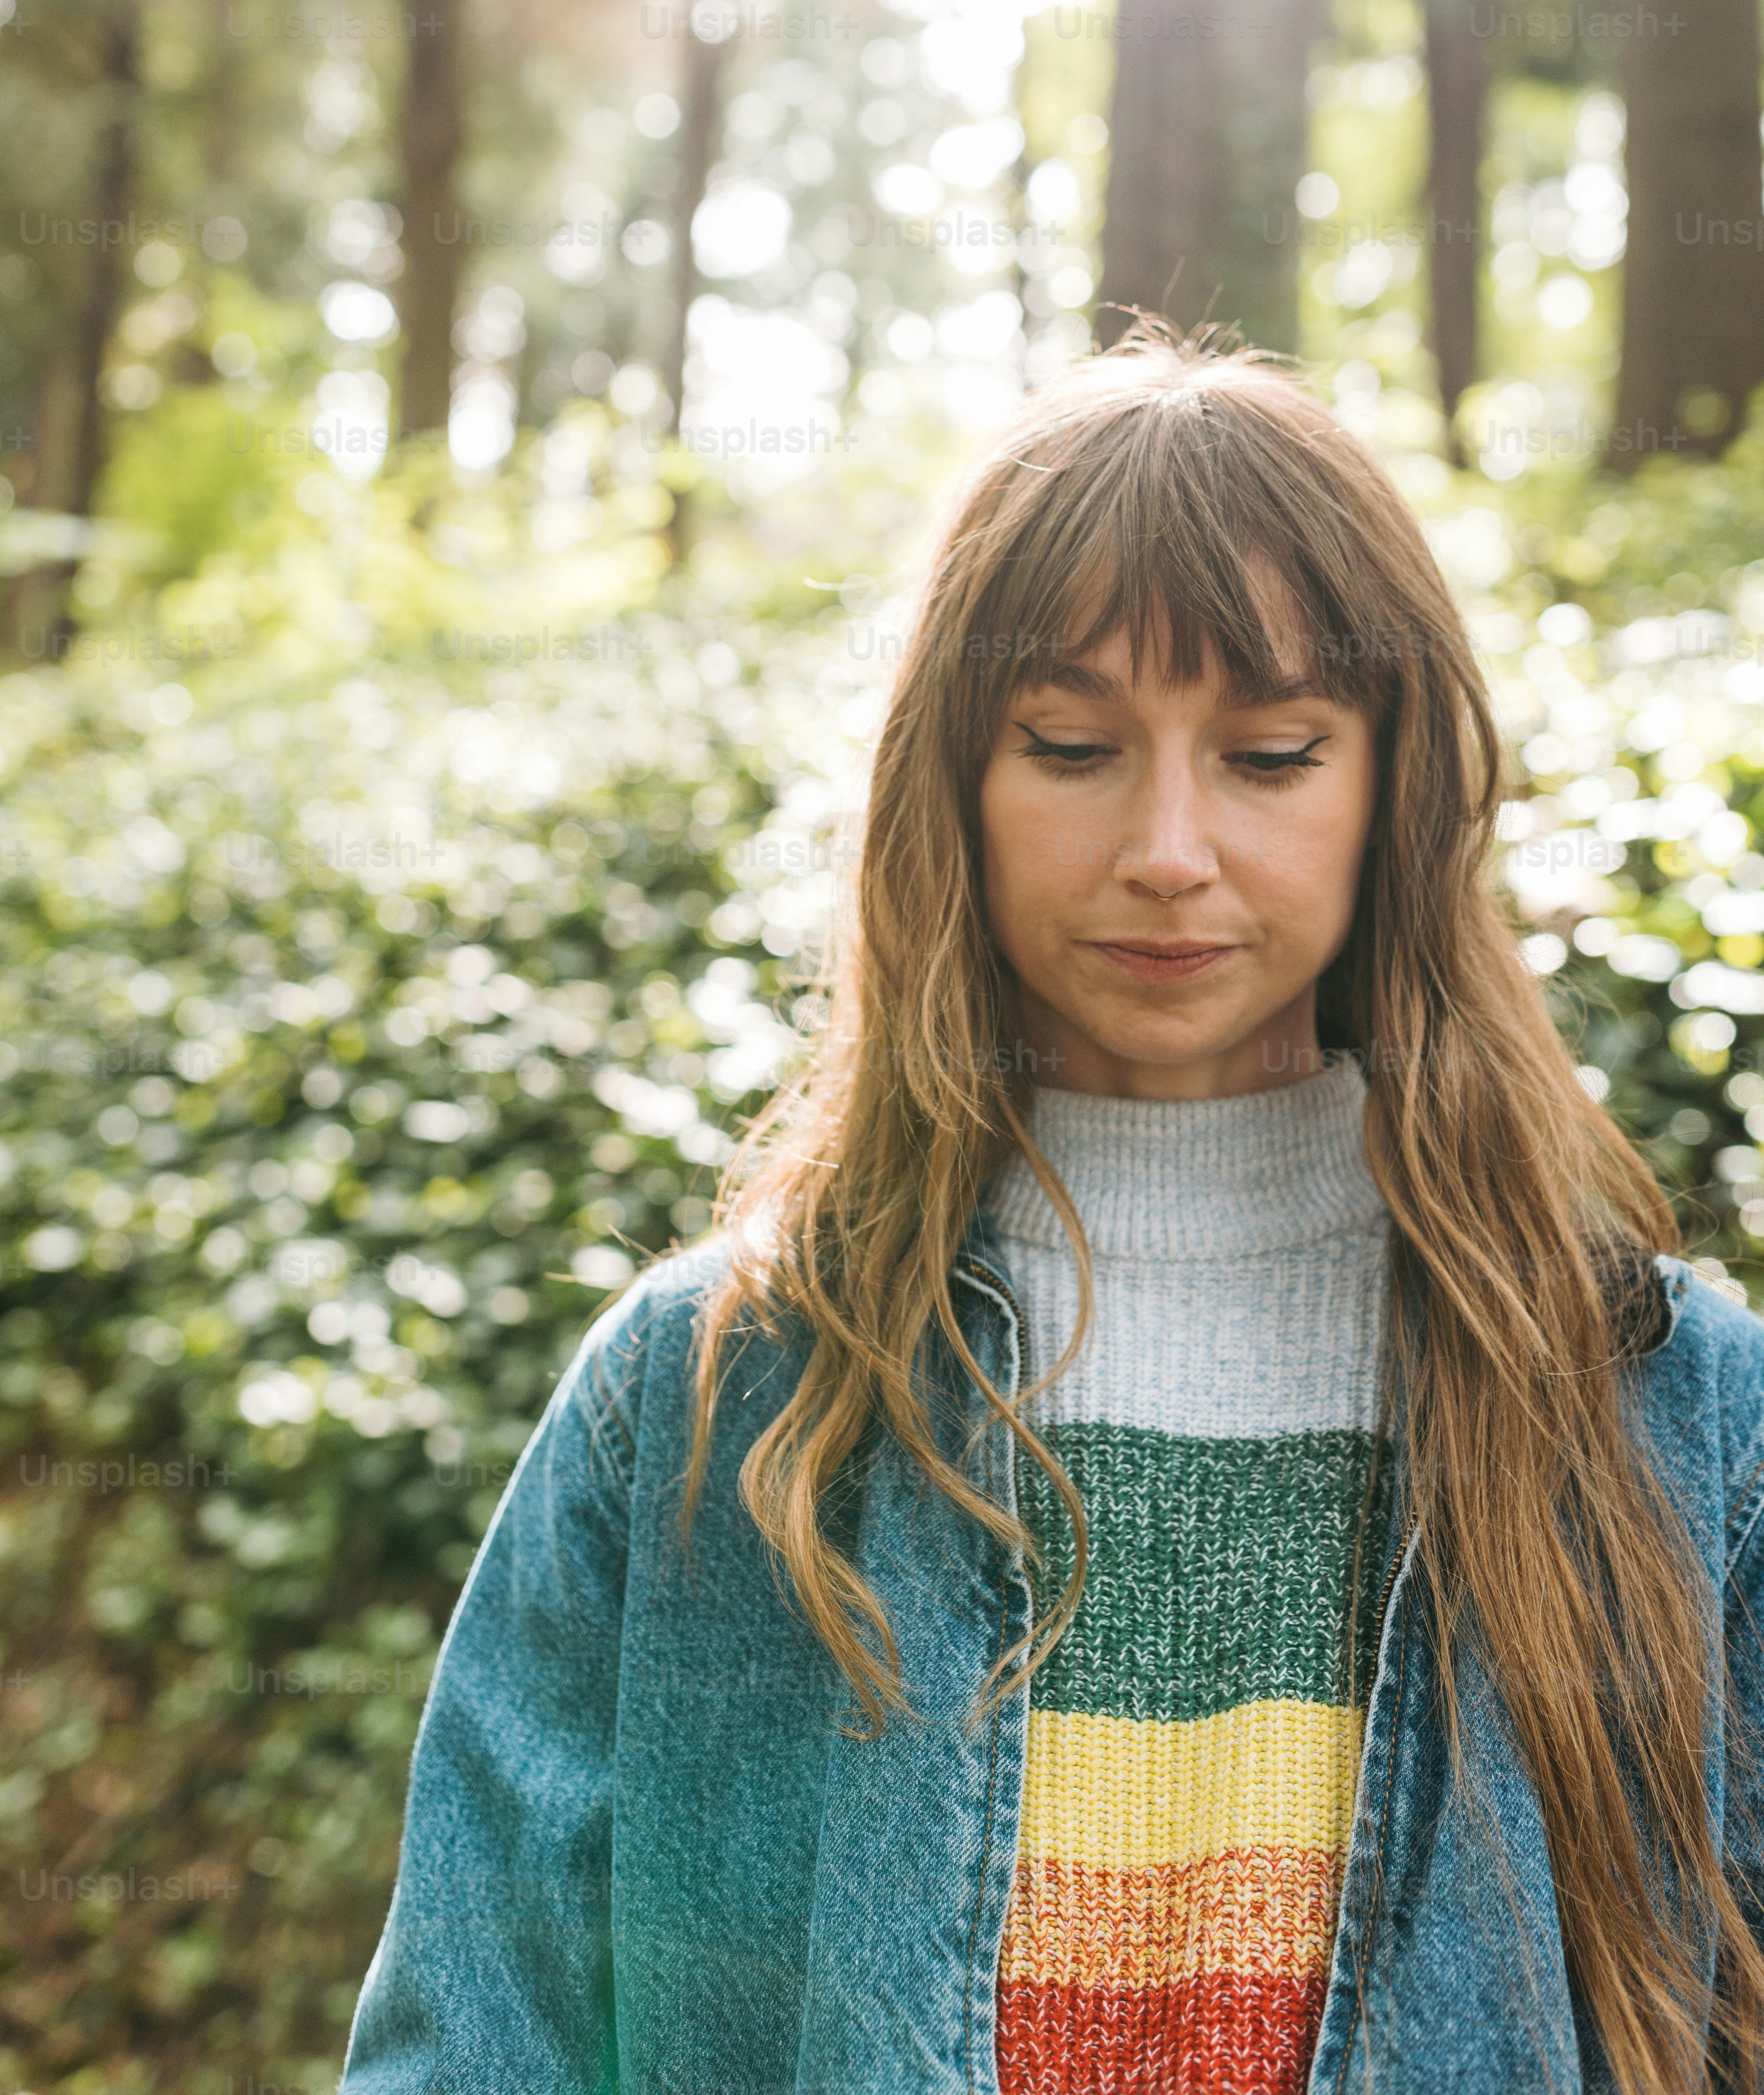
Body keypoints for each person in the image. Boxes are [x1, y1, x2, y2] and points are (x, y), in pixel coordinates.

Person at [339, 329, 1764, 2095]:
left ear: (1393, 784)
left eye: (1269, 752)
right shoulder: (706, 1397)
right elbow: (475, 2045)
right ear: (953, 779)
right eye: (1074, 744)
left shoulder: (1675, 1406)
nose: (1167, 845)